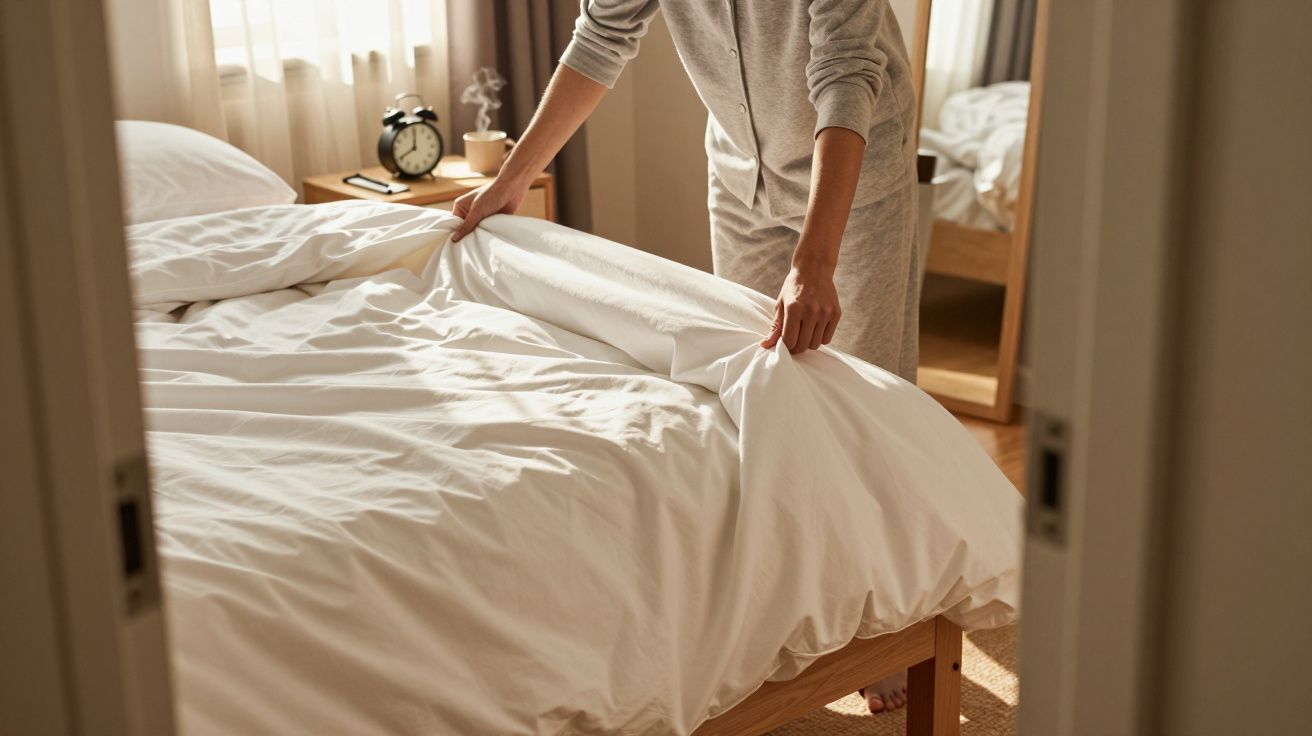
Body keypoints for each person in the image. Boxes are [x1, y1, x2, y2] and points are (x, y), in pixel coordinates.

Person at [452, 0, 919, 714]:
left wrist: (814, 258)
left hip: (852, 177)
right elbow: (602, 35)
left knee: (867, 391)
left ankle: (894, 617)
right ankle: (791, 602)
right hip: (741, 170)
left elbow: (848, 72)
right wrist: (514, 177)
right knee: (750, 386)